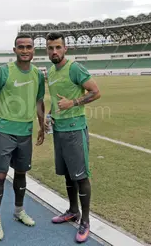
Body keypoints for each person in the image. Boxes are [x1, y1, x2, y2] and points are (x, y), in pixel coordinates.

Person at [0, 33, 45, 241]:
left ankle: (19, 211)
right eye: (21, 47)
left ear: (34, 51)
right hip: (5, 132)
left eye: (29, 47)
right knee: (0, 176)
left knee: (21, 174)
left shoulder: (38, 74)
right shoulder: (4, 71)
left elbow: (39, 101)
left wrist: (41, 126)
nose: (25, 50)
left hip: (25, 133)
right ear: (15, 50)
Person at [44, 32, 101, 243]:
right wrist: (49, 116)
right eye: (51, 48)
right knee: (68, 175)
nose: (54, 51)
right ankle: (72, 211)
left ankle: (85, 220)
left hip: (75, 129)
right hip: (58, 130)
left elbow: (95, 92)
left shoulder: (75, 68)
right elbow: (56, 100)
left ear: (65, 49)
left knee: (81, 176)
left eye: (58, 47)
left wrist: (73, 103)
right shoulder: (50, 71)